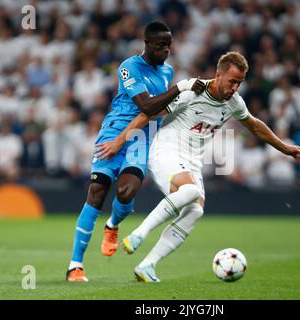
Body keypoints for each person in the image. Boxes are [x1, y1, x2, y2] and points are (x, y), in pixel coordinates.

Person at [96, 51, 300, 282]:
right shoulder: (192, 92)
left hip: (191, 162)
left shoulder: (234, 102)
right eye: (232, 81)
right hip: (165, 150)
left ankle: (147, 265)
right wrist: (118, 142)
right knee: (192, 191)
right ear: (218, 75)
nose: (235, 88)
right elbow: (148, 114)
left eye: (239, 83)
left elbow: (255, 126)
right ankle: (138, 234)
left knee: (195, 210)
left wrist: (285, 148)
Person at [66, 21, 205, 282]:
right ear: (147, 43)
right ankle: (75, 265)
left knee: (126, 191)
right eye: (161, 45)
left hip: (142, 139)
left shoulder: (167, 71)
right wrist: (181, 87)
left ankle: (113, 224)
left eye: (169, 45)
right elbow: (146, 105)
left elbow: (162, 109)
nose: (166, 50)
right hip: (113, 132)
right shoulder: (128, 67)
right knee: (96, 193)